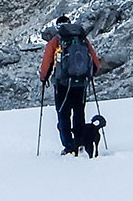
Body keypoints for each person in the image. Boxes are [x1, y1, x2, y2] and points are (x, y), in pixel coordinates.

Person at [39, 15, 102, 155]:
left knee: (63, 114)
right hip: (81, 83)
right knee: (79, 113)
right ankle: (79, 140)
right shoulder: (82, 40)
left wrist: (44, 78)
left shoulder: (55, 41)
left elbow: (47, 64)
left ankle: (69, 145)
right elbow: (95, 63)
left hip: (62, 84)